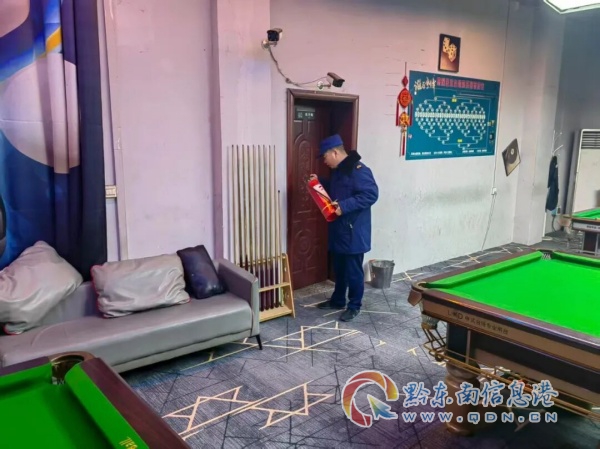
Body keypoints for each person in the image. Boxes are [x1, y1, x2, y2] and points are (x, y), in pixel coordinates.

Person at [309, 134, 378, 321]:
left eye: (325, 156)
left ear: (335, 152)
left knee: (353, 272)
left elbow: (371, 194)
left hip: (354, 232)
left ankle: (354, 305)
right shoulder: (339, 171)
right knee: (339, 269)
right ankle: (338, 300)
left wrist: (344, 206)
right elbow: (338, 189)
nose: (324, 161)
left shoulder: (359, 170)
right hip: (339, 230)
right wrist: (320, 181)